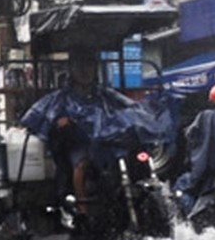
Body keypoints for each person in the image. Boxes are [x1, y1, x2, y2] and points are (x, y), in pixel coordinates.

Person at [20, 48, 146, 215]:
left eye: (88, 65)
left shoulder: (105, 94)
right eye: (79, 65)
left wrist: (145, 114)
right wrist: (60, 122)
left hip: (109, 144)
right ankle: (83, 211)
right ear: (71, 69)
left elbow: (131, 107)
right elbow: (38, 115)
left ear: (95, 68)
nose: (84, 70)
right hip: (80, 145)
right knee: (81, 165)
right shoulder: (62, 97)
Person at [173, 82, 215, 223]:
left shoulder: (205, 117)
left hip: (214, 176)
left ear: (211, 100)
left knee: (181, 186)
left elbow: (193, 141)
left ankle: (190, 220)